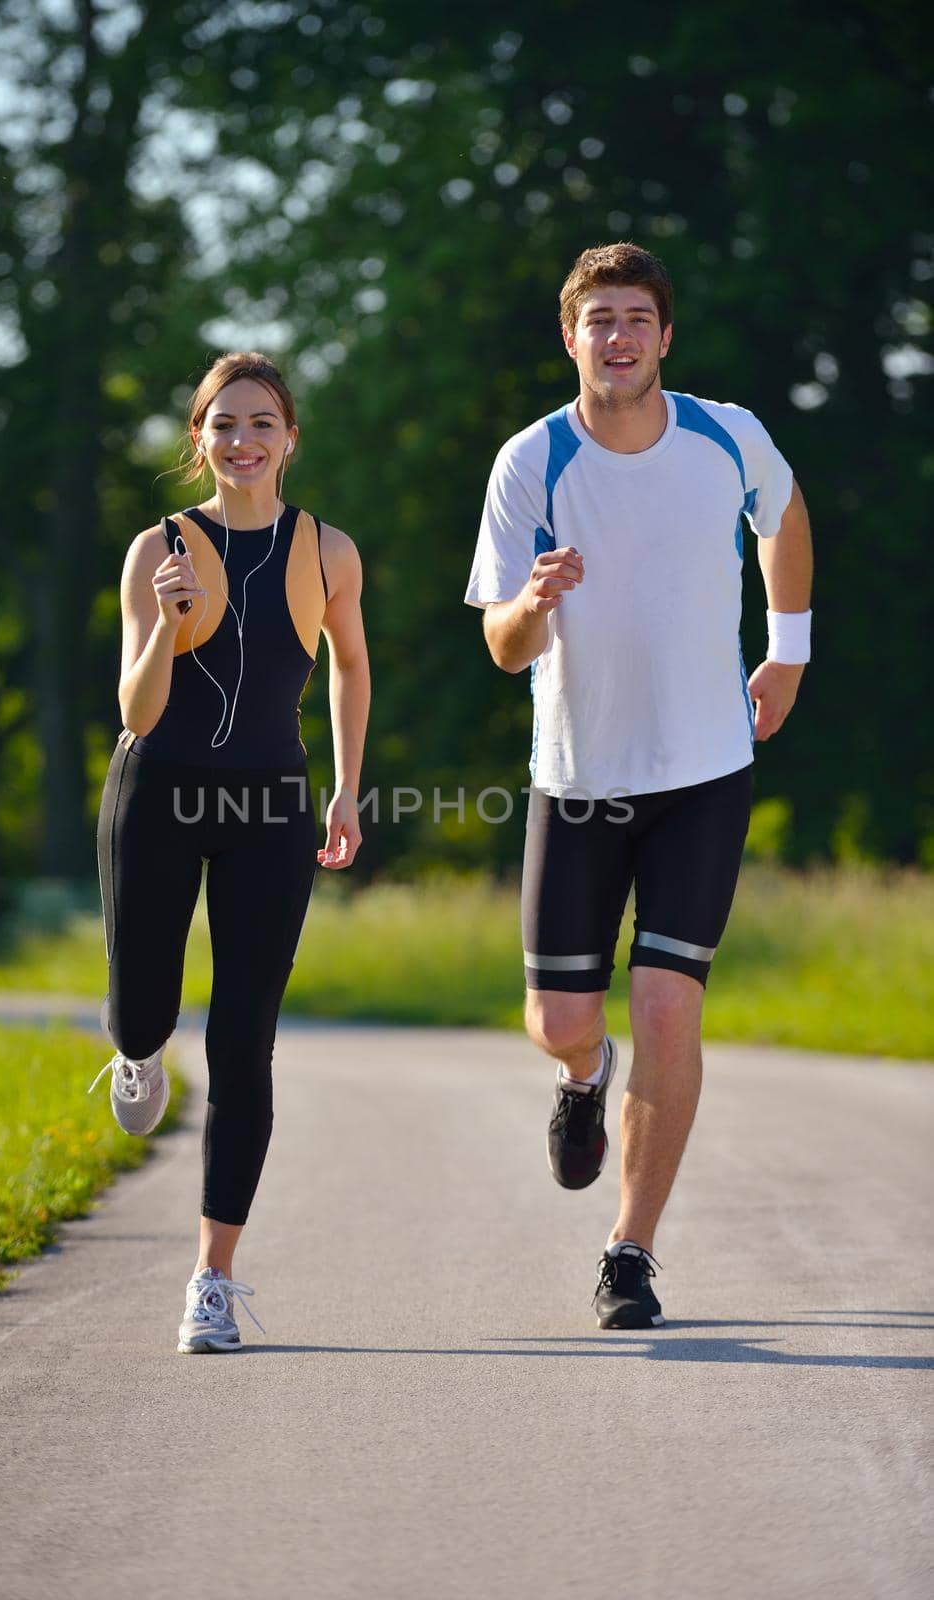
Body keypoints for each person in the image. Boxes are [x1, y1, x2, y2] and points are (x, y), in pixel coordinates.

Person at [465, 243, 812, 1329]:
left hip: (705, 765)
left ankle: (630, 1251)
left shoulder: (729, 435)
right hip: (579, 778)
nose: (617, 337)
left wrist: (788, 652)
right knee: (559, 1016)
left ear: (664, 336)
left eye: (635, 319)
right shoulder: (532, 461)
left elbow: (785, 522)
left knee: (670, 999)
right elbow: (504, 649)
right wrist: (533, 597)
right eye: (597, 320)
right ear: (569, 338)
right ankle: (582, 1078)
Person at [92, 352, 370, 1352]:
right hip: (156, 791)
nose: (243, 441)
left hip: (269, 803)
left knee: (244, 1041)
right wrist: (167, 627)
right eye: (224, 425)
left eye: (262, 423)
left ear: (290, 438)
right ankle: (135, 1052)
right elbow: (136, 709)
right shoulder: (156, 549)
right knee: (143, 1009)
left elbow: (349, 666)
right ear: (199, 440)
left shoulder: (328, 550)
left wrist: (342, 785)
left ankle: (212, 1277)